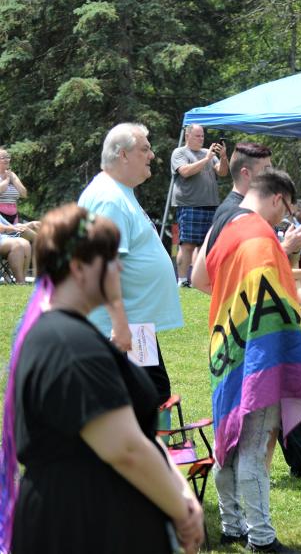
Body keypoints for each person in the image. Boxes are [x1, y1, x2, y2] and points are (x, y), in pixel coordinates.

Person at [0, 204, 204, 554]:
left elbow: (138, 435)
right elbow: (124, 448)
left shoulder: (71, 334)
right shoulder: (68, 345)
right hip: (80, 527)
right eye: (110, 260)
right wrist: (180, 510)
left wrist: (182, 491)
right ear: (79, 269)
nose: (120, 267)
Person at [192, 143, 301, 485]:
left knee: (277, 394)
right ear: (247, 173)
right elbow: (204, 278)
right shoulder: (234, 216)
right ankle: (258, 482)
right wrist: (282, 252)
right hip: (250, 332)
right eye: (267, 169)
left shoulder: (238, 214)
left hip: (252, 328)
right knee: (260, 403)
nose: (273, 176)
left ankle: (299, 464)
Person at [202, 169, 301, 552]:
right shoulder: (260, 238)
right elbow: (271, 307)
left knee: (229, 436)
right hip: (256, 354)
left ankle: (232, 526)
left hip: (224, 345)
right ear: (277, 199)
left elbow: (203, 279)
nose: (285, 216)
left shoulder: (230, 231)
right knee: (255, 444)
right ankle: (261, 538)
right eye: (287, 208)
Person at [78, 123, 182, 411]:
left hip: (136, 324)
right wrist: (120, 326)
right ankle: (141, 454)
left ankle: (145, 453)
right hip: (122, 326)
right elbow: (104, 266)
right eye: (144, 149)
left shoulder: (120, 192)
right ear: (123, 155)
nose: (151, 155)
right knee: (148, 396)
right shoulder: (108, 198)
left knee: (155, 393)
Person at [170, 124, 228, 287]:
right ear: (187, 136)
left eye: (202, 136)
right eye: (197, 136)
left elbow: (222, 172)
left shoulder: (207, 153)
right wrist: (207, 159)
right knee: (187, 244)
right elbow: (185, 171)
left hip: (211, 204)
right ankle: (182, 280)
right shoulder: (180, 153)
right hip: (189, 204)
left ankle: (199, 279)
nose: (201, 139)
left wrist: (223, 157)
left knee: (206, 244)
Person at [0, 215, 32, 283]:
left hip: (3, 237)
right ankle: (20, 282)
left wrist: (20, 227)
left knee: (26, 244)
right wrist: (14, 229)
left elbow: (8, 225)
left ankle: (23, 279)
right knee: (16, 246)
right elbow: (2, 228)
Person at [0, 147, 28, 223]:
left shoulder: (12, 175)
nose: (7, 160)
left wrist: (13, 179)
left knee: (17, 234)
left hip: (13, 216)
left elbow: (24, 193)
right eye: (3, 158)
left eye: (8, 157)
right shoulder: (9, 176)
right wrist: (7, 179)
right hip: (1, 217)